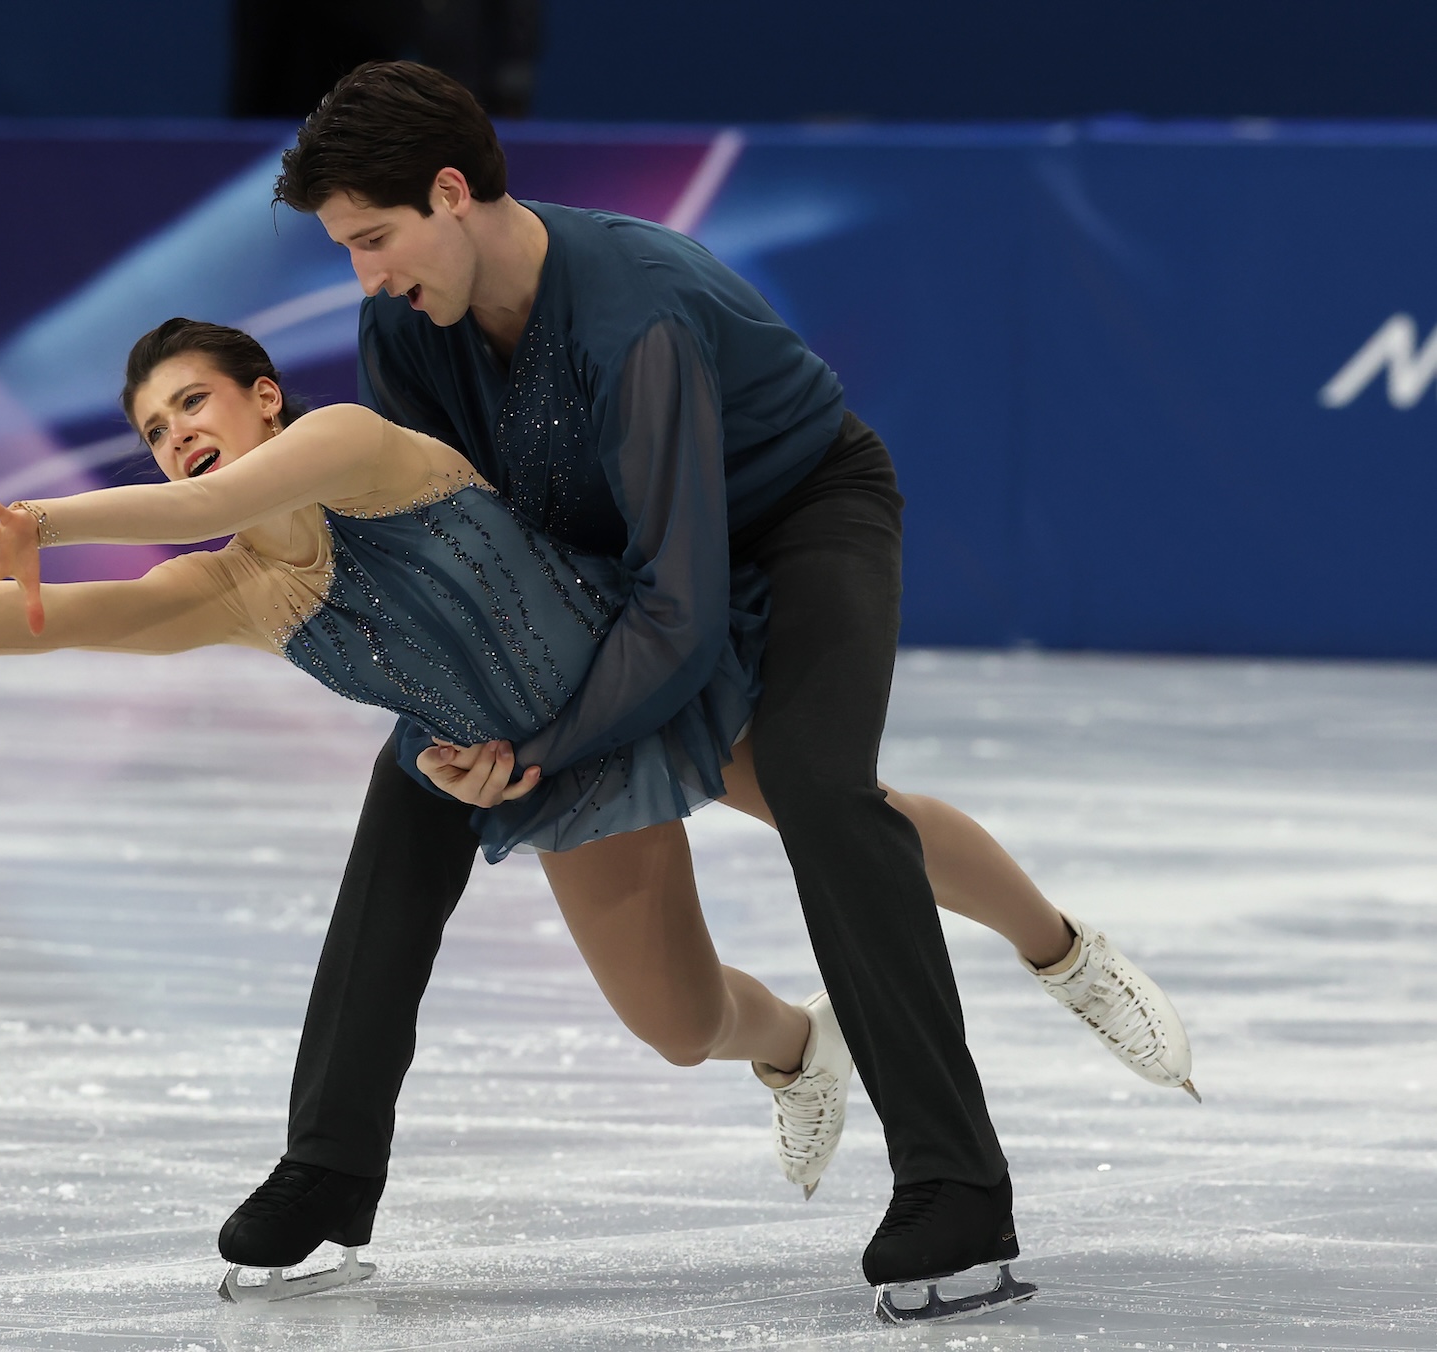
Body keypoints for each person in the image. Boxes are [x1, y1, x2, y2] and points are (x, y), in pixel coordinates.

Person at [0, 318, 1198, 1318]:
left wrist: (51, 517)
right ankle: (796, 1046)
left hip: (652, 665)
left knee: (842, 811)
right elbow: (45, 632)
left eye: (194, 404)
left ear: (260, 403)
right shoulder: (235, 592)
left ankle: (1062, 949)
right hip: (555, 772)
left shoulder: (360, 447)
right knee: (678, 1024)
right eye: (149, 424)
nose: (177, 434)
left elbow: (183, 514)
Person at [212, 60, 1198, 1317]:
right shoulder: (407, 327)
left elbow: (681, 607)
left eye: (373, 238)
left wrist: (543, 739)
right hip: (596, 562)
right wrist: (476, 723)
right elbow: (456, 553)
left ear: (451, 192)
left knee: (817, 784)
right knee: (415, 782)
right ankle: (328, 1166)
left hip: (795, 525)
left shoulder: (639, 309)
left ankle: (966, 1166)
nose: (365, 275)